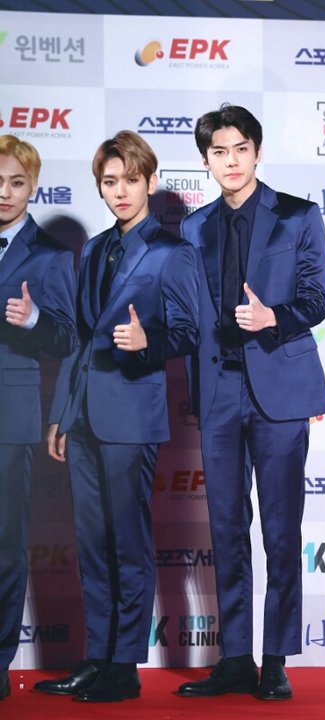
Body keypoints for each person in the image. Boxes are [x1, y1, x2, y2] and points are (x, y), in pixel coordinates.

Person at [33, 130, 198, 703]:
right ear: (99, 187)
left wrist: (148, 342)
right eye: (110, 182)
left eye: (131, 179)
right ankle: (96, 658)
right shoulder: (97, 247)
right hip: (82, 417)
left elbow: (189, 332)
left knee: (127, 542)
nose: (120, 191)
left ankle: (124, 666)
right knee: (92, 542)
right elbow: (79, 340)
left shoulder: (173, 252)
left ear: (150, 181)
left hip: (131, 414)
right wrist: (61, 414)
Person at [177, 105, 325, 701]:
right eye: (219, 152)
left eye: (241, 149)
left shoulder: (298, 215)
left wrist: (274, 318)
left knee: (282, 532)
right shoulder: (193, 227)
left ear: (258, 152)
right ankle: (235, 658)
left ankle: (276, 660)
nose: (231, 161)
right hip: (218, 391)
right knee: (226, 529)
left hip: (279, 394)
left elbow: (316, 299)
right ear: (206, 161)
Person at [0, 135, 76, 701]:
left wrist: (33, 321)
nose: (4, 193)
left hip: (11, 414)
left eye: (16, 183)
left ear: (33, 187)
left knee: (5, 543)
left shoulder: (50, 254)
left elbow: (69, 337)